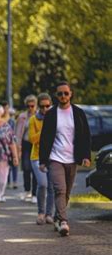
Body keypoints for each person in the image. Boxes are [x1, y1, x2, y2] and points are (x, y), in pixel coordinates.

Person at [39, 81, 91, 236]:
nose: (63, 96)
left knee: (66, 192)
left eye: (66, 93)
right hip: (55, 158)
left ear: (71, 94)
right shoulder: (51, 114)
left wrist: (86, 156)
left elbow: (86, 136)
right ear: (56, 96)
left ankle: (57, 216)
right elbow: (45, 138)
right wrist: (43, 160)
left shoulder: (79, 113)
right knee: (59, 189)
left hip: (72, 158)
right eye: (60, 93)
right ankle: (63, 221)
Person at [28, 93, 55, 225]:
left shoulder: (56, 117)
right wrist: (45, 127)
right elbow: (32, 139)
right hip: (37, 156)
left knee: (51, 186)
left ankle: (49, 214)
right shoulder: (34, 119)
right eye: (42, 106)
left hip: (53, 156)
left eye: (47, 106)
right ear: (38, 106)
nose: (45, 109)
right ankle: (40, 212)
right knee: (42, 183)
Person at [15, 95, 38, 202]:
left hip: (36, 144)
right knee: (26, 168)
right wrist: (18, 147)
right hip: (25, 144)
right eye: (28, 106)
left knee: (35, 169)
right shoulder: (22, 116)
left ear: (36, 105)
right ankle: (27, 190)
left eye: (32, 105)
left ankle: (34, 193)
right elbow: (18, 133)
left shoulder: (39, 116)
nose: (30, 108)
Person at [0, 100, 19, 191]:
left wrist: (17, 146)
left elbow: (15, 133)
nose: (4, 109)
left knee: (14, 163)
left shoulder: (12, 121)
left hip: (11, 144)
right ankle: (7, 182)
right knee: (6, 164)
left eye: (6, 108)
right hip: (2, 146)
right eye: (3, 108)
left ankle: (14, 181)